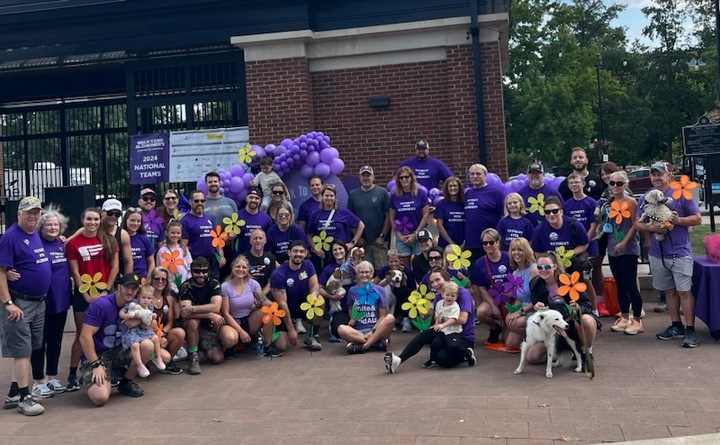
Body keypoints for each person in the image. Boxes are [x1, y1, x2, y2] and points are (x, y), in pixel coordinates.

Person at [636, 161, 701, 348]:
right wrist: (651, 227)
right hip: (658, 253)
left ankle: (690, 330)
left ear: (669, 176)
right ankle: (676, 325)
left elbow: (697, 218)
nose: (656, 178)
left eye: (660, 174)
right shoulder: (647, 197)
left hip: (679, 251)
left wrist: (677, 220)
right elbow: (637, 223)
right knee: (669, 291)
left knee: (684, 291)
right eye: (653, 174)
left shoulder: (681, 193)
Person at [0, 196, 52, 416]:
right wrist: (8, 303)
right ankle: (24, 397)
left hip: (37, 302)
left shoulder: (34, 234)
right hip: (19, 303)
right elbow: (1, 273)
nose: (33, 216)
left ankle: (13, 392)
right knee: (22, 351)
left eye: (36, 212)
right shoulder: (10, 238)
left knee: (29, 348)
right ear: (19, 214)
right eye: (29, 212)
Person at [66, 207, 119, 392]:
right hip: (83, 295)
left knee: (106, 333)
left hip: (106, 294)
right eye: (89, 219)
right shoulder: (73, 244)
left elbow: (114, 267)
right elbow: (75, 271)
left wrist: (106, 290)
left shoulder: (109, 240)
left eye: (96, 219)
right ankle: (73, 373)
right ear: (83, 221)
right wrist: (85, 294)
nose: (92, 223)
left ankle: (108, 368)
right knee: (82, 334)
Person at [384, 268, 476, 373]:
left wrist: (443, 320)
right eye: (432, 282)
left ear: (446, 279)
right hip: (445, 332)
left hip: (462, 336)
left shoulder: (461, 293)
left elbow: (463, 319)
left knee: (443, 359)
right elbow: (429, 314)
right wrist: (417, 306)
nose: (435, 284)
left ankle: (465, 353)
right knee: (425, 335)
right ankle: (398, 360)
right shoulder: (439, 297)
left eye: (437, 280)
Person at [78, 274, 146, 406]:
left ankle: (126, 382)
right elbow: (84, 336)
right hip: (98, 355)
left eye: (134, 288)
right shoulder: (101, 305)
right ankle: (97, 374)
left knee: (147, 345)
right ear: (119, 287)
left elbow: (153, 326)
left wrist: (140, 321)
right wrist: (95, 364)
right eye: (127, 287)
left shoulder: (136, 305)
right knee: (100, 397)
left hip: (119, 351)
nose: (130, 292)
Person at [29, 206, 72, 398]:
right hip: (41, 302)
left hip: (60, 300)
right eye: (48, 225)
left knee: (56, 340)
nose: (53, 228)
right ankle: (37, 381)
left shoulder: (62, 244)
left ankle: (51, 377)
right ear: (41, 227)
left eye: (56, 225)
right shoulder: (35, 243)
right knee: (39, 341)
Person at [525, 252, 598, 365]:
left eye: (547, 267)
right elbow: (538, 312)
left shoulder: (569, 280)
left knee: (587, 320)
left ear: (555, 266)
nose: (543, 270)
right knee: (532, 357)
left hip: (573, 323)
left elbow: (587, 304)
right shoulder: (535, 284)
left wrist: (577, 308)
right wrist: (537, 308)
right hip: (554, 328)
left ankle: (586, 353)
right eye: (539, 267)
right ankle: (562, 351)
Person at [601, 171, 644, 335]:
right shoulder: (609, 202)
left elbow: (635, 224)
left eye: (619, 183)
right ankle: (624, 315)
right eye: (612, 183)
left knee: (630, 284)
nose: (615, 187)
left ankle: (637, 319)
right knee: (620, 283)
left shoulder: (631, 201)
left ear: (625, 185)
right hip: (613, 247)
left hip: (628, 248)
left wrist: (624, 241)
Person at [268, 241, 323, 353]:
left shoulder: (308, 265)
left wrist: (313, 295)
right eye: (295, 251)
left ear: (306, 253)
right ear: (289, 253)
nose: (299, 254)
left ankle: (312, 336)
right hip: (282, 310)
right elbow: (282, 305)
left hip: (301, 305)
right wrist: (291, 330)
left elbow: (314, 285)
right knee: (281, 346)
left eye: (302, 251)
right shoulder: (278, 274)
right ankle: (269, 333)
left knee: (320, 300)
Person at [177, 257, 224, 374]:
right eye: (197, 271)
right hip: (191, 325)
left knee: (217, 358)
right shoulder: (185, 287)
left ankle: (198, 352)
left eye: (204, 271)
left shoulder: (214, 284)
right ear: (191, 271)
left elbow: (216, 307)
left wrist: (193, 309)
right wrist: (209, 314)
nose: (201, 274)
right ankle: (193, 356)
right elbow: (185, 314)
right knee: (192, 322)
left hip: (208, 326)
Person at [563, 172, 601, 316]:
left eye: (577, 182)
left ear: (583, 184)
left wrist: (584, 242)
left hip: (589, 247)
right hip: (572, 248)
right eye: (571, 183)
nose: (574, 185)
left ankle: (594, 309)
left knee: (586, 278)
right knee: (572, 278)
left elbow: (594, 226)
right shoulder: (566, 205)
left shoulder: (592, 203)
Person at [338, 261, 395, 354]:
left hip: (376, 329)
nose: (364, 275)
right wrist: (353, 318)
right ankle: (375, 343)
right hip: (359, 332)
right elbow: (351, 308)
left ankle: (364, 346)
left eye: (367, 272)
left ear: (372, 274)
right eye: (361, 272)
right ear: (358, 274)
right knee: (341, 328)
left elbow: (382, 316)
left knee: (390, 318)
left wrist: (373, 331)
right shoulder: (352, 290)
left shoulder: (379, 290)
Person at [217, 256, 267, 356]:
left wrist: (273, 306)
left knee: (268, 311)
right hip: (231, 322)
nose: (241, 270)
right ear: (232, 268)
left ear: (248, 269)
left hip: (248, 320)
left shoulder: (253, 283)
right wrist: (240, 331)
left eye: (244, 267)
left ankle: (267, 345)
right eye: (238, 267)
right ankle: (229, 346)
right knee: (231, 339)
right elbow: (225, 313)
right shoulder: (225, 286)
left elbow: (263, 299)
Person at [470, 228, 510, 345]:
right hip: (492, 297)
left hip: (509, 297)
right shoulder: (480, 263)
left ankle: (508, 328)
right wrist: (493, 306)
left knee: (508, 341)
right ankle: (494, 327)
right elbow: (481, 288)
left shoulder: (508, 257)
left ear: (498, 242)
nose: (488, 245)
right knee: (481, 312)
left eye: (491, 242)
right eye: (485, 243)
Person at [347, 165, 391, 269]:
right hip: (363, 244)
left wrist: (382, 236)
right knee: (364, 272)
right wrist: (358, 238)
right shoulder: (353, 194)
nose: (366, 178)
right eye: (363, 175)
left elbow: (388, 216)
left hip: (379, 243)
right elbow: (349, 219)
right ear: (359, 177)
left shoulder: (382, 192)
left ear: (373, 177)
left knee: (382, 271)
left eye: (368, 175)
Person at [118, 284, 166, 378]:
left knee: (155, 338)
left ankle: (158, 358)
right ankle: (140, 365)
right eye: (144, 297)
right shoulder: (133, 305)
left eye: (149, 298)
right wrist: (126, 316)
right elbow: (121, 312)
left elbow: (150, 321)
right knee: (135, 345)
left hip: (142, 330)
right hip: (131, 331)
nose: (146, 300)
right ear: (138, 296)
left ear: (152, 298)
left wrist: (153, 317)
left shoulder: (150, 307)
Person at [593, 161, 621, 316]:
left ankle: (634, 308)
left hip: (622, 234)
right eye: (602, 174)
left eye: (607, 173)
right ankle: (615, 304)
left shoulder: (623, 190)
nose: (605, 177)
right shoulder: (605, 193)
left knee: (628, 271)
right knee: (610, 267)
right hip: (608, 234)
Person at [307, 184, 365, 256]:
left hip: (340, 253)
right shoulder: (315, 214)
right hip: (323, 254)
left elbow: (361, 225)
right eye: (326, 195)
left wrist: (352, 243)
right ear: (322, 197)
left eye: (331, 196)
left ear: (335, 197)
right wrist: (315, 248)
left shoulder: (342, 212)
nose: (329, 198)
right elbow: (310, 234)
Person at [464, 164, 505, 264]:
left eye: (478, 174)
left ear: (485, 175)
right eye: (472, 174)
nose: (475, 176)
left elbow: (503, 216)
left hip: (489, 243)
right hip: (472, 243)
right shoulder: (468, 193)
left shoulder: (495, 193)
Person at [181, 190, 226, 281]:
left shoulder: (209, 219)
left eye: (202, 201)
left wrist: (221, 256)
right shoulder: (185, 221)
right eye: (196, 201)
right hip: (196, 261)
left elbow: (216, 239)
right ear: (190, 202)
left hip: (211, 262)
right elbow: (183, 245)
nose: (200, 203)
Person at [389, 167, 430, 267]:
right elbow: (391, 218)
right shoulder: (394, 196)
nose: (404, 180)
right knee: (404, 268)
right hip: (402, 237)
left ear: (411, 178)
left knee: (421, 264)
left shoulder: (420, 193)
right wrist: (399, 236)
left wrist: (415, 234)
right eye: (401, 177)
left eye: (406, 177)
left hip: (419, 235)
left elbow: (425, 215)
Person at [148, 267, 185, 375]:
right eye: (157, 279)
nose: (160, 282)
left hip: (161, 334)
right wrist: (157, 337)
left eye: (163, 279)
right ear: (151, 280)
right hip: (147, 335)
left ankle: (167, 363)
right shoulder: (146, 297)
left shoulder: (169, 297)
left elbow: (170, 322)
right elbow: (143, 323)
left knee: (179, 333)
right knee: (166, 357)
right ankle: (147, 361)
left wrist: (162, 334)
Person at [504, 237, 537, 350]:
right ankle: (531, 338)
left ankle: (539, 339)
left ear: (526, 251)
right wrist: (512, 312)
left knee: (513, 324)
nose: (516, 253)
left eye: (520, 250)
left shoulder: (534, 270)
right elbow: (518, 298)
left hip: (534, 309)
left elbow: (536, 299)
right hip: (523, 309)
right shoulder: (515, 273)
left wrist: (519, 312)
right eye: (513, 250)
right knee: (511, 344)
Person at [319, 240, 355, 341]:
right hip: (339, 308)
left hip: (356, 306)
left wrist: (356, 271)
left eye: (340, 249)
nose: (338, 251)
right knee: (338, 331)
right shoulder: (328, 269)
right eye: (335, 250)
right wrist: (331, 297)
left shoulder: (354, 266)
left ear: (345, 250)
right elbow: (319, 288)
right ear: (332, 252)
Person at [374, 249, 416, 332]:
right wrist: (387, 281)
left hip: (403, 299)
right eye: (391, 261)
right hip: (387, 298)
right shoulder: (384, 270)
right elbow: (374, 285)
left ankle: (406, 318)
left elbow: (412, 290)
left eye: (396, 261)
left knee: (404, 292)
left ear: (400, 260)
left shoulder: (407, 271)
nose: (393, 264)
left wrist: (403, 282)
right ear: (388, 262)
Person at [428, 281, 466, 367]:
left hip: (454, 331)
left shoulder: (455, 307)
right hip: (443, 331)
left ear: (456, 297)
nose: (449, 297)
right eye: (447, 295)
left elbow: (453, 319)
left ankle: (466, 353)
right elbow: (438, 315)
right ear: (443, 294)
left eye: (453, 296)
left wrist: (442, 325)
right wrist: (436, 324)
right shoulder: (439, 304)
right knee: (435, 343)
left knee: (453, 345)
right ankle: (432, 359)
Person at [518, 162, 564, 227]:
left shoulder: (553, 193)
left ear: (543, 175)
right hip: (526, 233)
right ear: (527, 175)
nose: (534, 175)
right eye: (532, 173)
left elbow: (563, 214)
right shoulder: (520, 194)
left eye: (537, 173)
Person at [156, 220, 193, 292]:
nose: (175, 235)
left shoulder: (184, 249)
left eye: (178, 233)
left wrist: (188, 281)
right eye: (173, 233)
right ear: (167, 233)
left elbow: (190, 266)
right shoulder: (163, 251)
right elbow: (161, 269)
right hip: (169, 287)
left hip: (185, 285)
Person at [236, 187, 273, 255]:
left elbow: (269, 241)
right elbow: (231, 241)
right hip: (242, 258)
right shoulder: (237, 216)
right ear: (246, 198)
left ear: (260, 201)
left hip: (260, 258)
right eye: (251, 197)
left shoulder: (266, 218)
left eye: (256, 198)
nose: (253, 200)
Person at [242, 229, 278, 298]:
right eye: (255, 238)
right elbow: (241, 282)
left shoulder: (271, 258)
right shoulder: (243, 259)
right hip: (247, 296)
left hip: (265, 297)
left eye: (260, 238)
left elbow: (271, 282)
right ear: (250, 241)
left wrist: (261, 296)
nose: (258, 241)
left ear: (265, 241)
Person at [122, 207, 156, 279]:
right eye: (132, 220)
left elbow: (151, 263)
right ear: (125, 220)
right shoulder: (119, 237)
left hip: (142, 279)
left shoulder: (144, 238)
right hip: (124, 279)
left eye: (138, 221)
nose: (135, 223)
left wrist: (148, 279)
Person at [435, 175, 466, 248]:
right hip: (446, 244)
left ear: (459, 187)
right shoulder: (441, 204)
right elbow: (439, 226)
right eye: (450, 186)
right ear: (446, 188)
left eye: (455, 186)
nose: (452, 188)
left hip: (463, 244)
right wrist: (451, 243)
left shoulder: (465, 203)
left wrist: (465, 242)